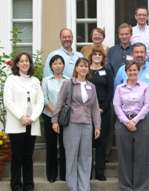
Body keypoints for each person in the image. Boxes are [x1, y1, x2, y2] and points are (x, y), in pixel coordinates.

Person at [51, 58, 101, 191]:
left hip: (87, 124)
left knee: (86, 157)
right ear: (76, 68)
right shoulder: (69, 83)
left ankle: (84, 187)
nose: (83, 68)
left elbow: (95, 108)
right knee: (72, 156)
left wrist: (97, 126)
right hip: (72, 124)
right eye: (81, 66)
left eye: (86, 66)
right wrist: (54, 120)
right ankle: (73, 187)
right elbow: (59, 102)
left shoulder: (92, 86)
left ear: (88, 69)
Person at [114, 42, 149, 180]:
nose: (139, 54)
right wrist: (122, 117)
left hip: (148, 113)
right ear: (132, 54)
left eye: (142, 52)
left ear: (146, 54)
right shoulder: (123, 69)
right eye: (137, 52)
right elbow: (117, 89)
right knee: (128, 145)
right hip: (125, 115)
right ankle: (131, 171)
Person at [4, 52, 44, 191]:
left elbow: (40, 102)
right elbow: (8, 101)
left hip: (31, 124)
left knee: (28, 156)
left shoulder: (35, 81)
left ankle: (28, 184)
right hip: (17, 123)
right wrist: (21, 116)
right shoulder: (11, 80)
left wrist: (32, 118)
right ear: (17, 64)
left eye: (27, 61)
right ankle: (16, 185)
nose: (25, 63)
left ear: (30, 63)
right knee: (17, 156)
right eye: (21, 61)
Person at [113, 61, 149, 191]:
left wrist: (134, 121)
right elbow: (116, 106)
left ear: (139, 71)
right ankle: (126, 187)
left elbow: (147, 105)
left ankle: (141, 187)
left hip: (141, 122)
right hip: (123, 123)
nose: (132, 72)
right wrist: (126, 122)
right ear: (126, 72)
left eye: (135, 70)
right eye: (130, 70)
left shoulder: (145, 87)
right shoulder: (119, 88)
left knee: (141, 156)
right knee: (124, 157)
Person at [87, 46, 114, 180]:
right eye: (94, 54)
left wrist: (102, 108)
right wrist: (91, 109)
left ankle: (99, 172)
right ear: (91, 56)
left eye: (99, 54)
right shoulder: (86, 71)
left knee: (101, 143)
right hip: (87, 112)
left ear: (103, 57)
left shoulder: (107, 71)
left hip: (104, 111)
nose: (97, 56)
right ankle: (87, 171)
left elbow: (111, 91)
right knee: (87, 142)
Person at [41, 55, 68, 183]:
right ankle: (51, 174)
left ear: (64, 65)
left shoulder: (68, 80)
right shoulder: (46, 80)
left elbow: (69, 99)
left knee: (64, 147)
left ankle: (64, 174)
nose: (58, 66)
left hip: (64, 118)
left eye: (60, 63)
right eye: (55, 63)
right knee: (51, 146)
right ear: (51, 66)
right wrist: (55, 114)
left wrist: (60, 114)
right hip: (49, 117)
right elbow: (45, 99)